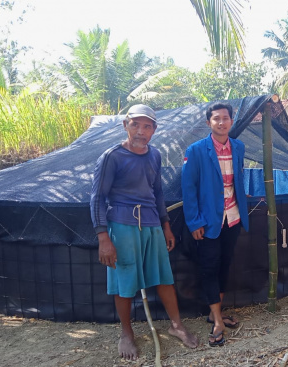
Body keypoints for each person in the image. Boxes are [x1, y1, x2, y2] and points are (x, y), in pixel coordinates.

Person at [90, 104, 198, 360]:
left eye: (147, 126)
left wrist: (166, 225)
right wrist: (103, 237)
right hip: (122, 225)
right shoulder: (111, 157)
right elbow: (97, 198)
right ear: (125, 125)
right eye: (135, 124)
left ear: (154, 129)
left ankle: (176, 325)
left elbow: (157, 193)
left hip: (151, 225)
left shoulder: (155, 155)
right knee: (125, 281)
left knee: (164, 277)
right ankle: (126, 333)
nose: (141, 131)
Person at [181, 102, 249, 347]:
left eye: (226, 118)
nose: (222, 122)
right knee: (209, 267)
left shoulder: (238, 147)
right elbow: (188, 189)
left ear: (232, 121)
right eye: (216, 118)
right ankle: (218, 320)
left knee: (224, 265)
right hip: (209, 221)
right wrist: (194, 221)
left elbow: (237, 180)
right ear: (209, 122)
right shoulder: (197, 150)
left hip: (233, 217)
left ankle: (213, 313)